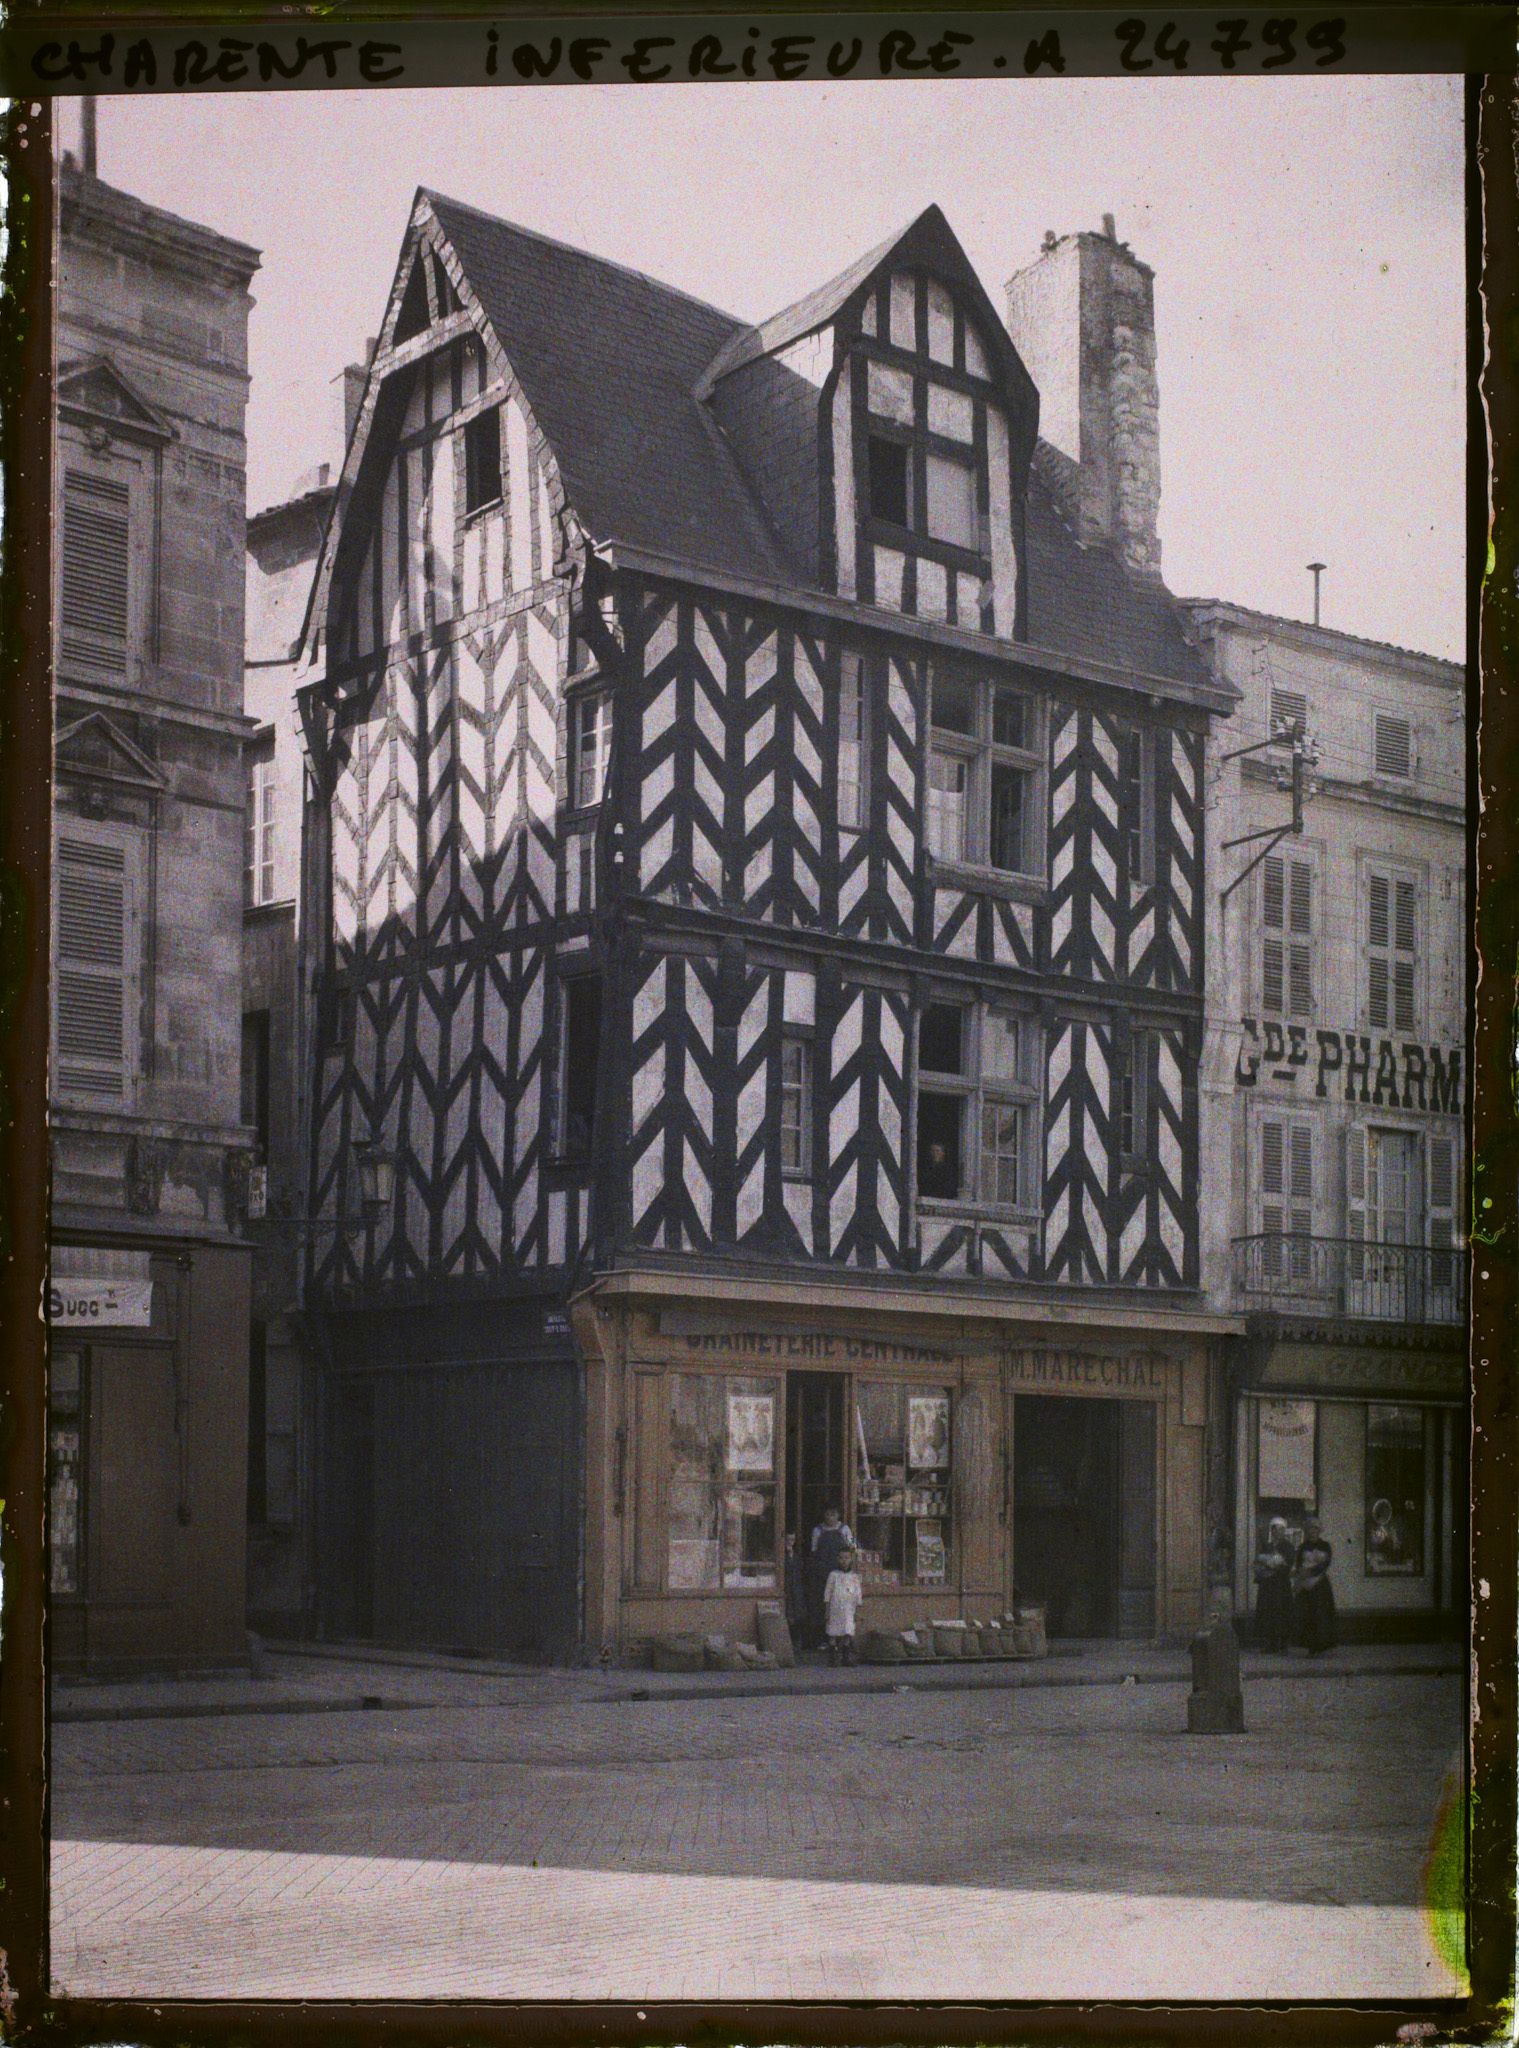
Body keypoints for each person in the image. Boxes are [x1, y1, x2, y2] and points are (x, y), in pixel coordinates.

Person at [808, 1505, 854, 1651]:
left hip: (841, 1574)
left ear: (838, 1515)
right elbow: (814, 1550)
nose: (830, 1518)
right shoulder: (817, 1531)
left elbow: (852, 1547)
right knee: (824, 1606)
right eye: (828, 1514)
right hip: (822, 1574)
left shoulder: (844, 1530)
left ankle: (842, 1641)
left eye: (833, 1514)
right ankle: (824, 1639)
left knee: (841, 1605)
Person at [1293, 1517, 1337, 1654]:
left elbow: (1326, 1563)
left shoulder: (1325, 1546)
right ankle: (1310, 1645)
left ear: (1319, 1531)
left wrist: (1312, 1571)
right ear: (1307, 1531)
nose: (1312, 1532)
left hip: (1320, 1585)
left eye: (1315, 1529)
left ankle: (1322, 1644)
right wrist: (1300, 1576)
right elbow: (1298, 1564)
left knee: (1321, 1615)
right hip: (1305, 1586)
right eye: (1310, 1529)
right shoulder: (1302, 1547)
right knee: (1307, 1615)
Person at [1252, 1515, 1296, 1653]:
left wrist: (1274, 1565)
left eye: (1281, 1529)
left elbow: (1288, 1564)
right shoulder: (1267, 1546)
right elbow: (1258, 1562)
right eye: (1275, 1529)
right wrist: (1265, 1565)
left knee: (1281, 1612)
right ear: (1272, 1531)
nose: (1277, 1532)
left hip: (1281, 1585)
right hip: (1268, 1585)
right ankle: (1271, 1643)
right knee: (1268, 1613)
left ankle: (1283, 1644)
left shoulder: (1288, 1546)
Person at [823, 1545, 864, 1665]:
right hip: (835, 1607)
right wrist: (827, 1610)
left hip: (849, 1608)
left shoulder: (854, 1577)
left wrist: (857, 1609)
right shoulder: (833, 1575)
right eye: (841, 1558)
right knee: (833, 1631)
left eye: (847, 1558)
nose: (844, 1561)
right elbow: (828, 1593)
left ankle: (845, 1657)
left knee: (848, 1630)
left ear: (851, 1559)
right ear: (837, 1559)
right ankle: (832, 1657)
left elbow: (858, 1593)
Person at [783, 1532, 807, 1649]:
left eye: (792, 1540)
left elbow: (799, 1569)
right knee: (788, 1613)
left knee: (798, 1615)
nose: (790, 1543)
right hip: (786, 1587)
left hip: (796, 1587)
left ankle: (797, 1642)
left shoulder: (797, 1556)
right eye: (788, 1540)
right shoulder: (781, 1555)